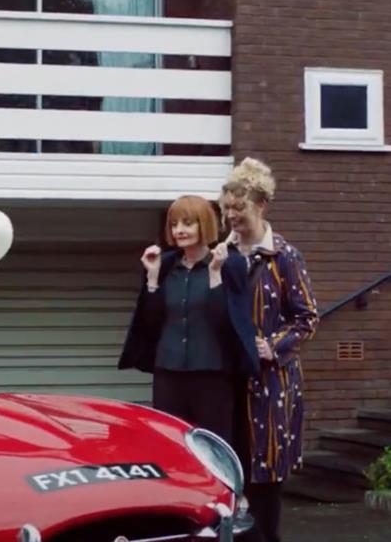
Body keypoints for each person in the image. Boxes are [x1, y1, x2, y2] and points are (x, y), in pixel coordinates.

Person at [220, 158, 318, 542]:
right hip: (227, 381)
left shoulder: (284, 257)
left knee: (266, 477)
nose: (230, 215)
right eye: (226, 207)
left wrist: (271, 346)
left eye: (238, 207)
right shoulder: (221, 255)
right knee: (231, 471)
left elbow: (307, 318)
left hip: (271, 385)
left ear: (260, 204)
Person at [119, 195, 259, 445]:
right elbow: (151, 322)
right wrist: (152, 277)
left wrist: (215, 274)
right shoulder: (167, 264)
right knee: (170, 443)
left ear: (203, 224)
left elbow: (227, 325)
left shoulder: (230, 263)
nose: (179, 230)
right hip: (168, 373)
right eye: (174, 225)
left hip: (212, 375)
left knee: (213, 446)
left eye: (187, 223)